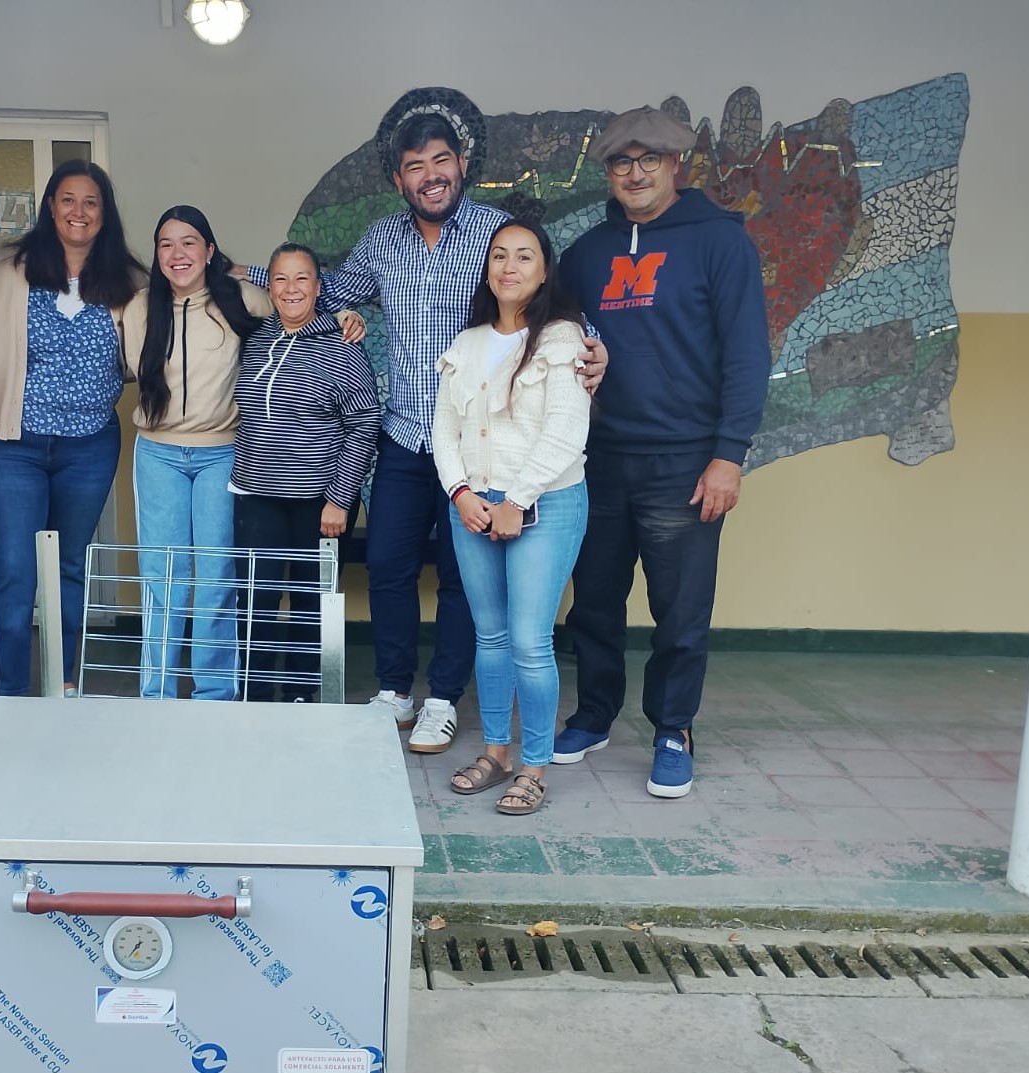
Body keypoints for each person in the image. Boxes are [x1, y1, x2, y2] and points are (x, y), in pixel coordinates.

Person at [245, 108, 606, 754]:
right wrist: (238, 272)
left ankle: (442, 697)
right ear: (398, 180)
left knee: (462, 577)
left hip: (479, 448)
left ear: (461, 165)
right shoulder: (382, 239)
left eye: (440, 160)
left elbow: (548, 300)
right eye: (415, 166)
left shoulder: (496, 234)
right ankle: (395, 690)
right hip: (407, 434)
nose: (430, 175)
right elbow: (325, 290)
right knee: (388, 564)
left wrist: (595, 346)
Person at [553, 106, 771, 798]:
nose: (635, 172)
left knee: (679, 610)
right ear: (608, 172)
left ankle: (673, 728)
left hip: (685, 462)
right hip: (597, 460)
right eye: (622, 162)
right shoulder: (586, 253)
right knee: (593, 603)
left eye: (649, 159)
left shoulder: (720, 242)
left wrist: (728, 455)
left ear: (677, 164)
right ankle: (593, 714)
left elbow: (747, 355)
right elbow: (549, 337)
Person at [122, 207, 363, 701]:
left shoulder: (242, 298)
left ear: (210, 250)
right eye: (166, 244)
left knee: (218, 575)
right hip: (158, 453)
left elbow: (295, 301)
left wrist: (341, 315)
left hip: (221, 454)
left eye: (189, 242)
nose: (178, 253)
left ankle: (215, 693)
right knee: (163, 576)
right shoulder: (139, 307)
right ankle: (157, 694)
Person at [0, 160, 146, 697]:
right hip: (13, 445)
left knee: (70, 565)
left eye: (91, 202)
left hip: (89, 447)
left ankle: (62, 681)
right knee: (16, 567)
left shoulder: (129, 280)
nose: (79, 211)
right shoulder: (4, 272)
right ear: (50, 206)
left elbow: (152, 349)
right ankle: (8, 691)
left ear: (105, 213)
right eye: (68, 199)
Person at [433, 221, 591, 814]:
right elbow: (444, 428)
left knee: (529, 640)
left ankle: (535, 766)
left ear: (544, 271)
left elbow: (565, 432)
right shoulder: (467, 343)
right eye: (499, 256)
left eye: (525, 257)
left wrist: (515, 500)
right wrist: (460, 493)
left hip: (544, 503)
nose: (510, 267)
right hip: (473, 506)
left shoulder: (563, 338)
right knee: (491, 636)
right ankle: (497, 752)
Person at [231, 243, 380, 703]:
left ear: (318, 287)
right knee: (254, 598)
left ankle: (301, 693)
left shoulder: (343, 347)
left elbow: (364, 423)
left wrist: (340, 498)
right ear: (269, 286)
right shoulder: (257, 338)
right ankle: (254, 696)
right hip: (256, 493)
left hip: (318, 500)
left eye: (302, 278)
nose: (291, 288)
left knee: (309, 600)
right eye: (280, 278)